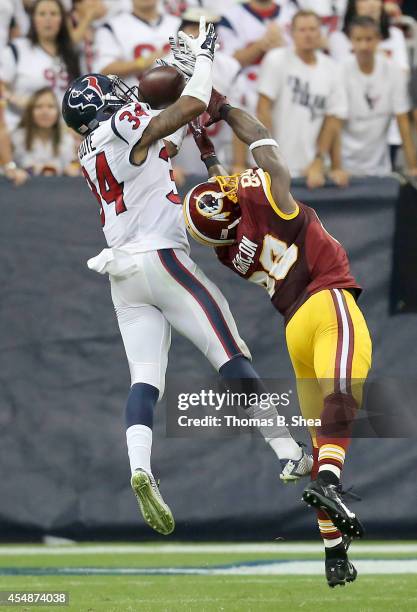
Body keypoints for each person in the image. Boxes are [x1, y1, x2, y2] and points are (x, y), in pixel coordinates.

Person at [62, 19, 311, 537]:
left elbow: (164, 138)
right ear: (104, 106)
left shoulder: (90, 151)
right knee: (229, 352)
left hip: (121, 274)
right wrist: (201, 59)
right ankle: (288, 451)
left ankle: (139, 466)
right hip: (162, 261)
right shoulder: (123, 125)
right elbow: (189, 106)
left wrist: (188, 84)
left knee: (145, 379)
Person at [180, 85, 372, 586]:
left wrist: (206, 150)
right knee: (343, 400)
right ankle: (329, 481)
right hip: (329, 302)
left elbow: (221, 201)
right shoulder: (269, 202)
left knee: (320, 433)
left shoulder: (227, 250)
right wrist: (219, 109)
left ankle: (333, 551)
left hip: (295, 328)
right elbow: (263, 140)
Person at [257, 10, 348, 189]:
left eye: (313, 29)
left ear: (321, 32)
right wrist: (269, 156)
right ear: (292, 33)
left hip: (311, 169)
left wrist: (320, 161)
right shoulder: (276, 60)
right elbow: (263, 109)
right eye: (302, 30)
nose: (308, 34)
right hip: (276, 164)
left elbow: (333, 121)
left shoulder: (332, 69)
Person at [338, 16, 417, 176]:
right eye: (358, 39)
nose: (364, 45)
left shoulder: (393, 71)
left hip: (381, 169)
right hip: (345, 167)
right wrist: (335, 167)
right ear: (350, 41)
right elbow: (334, 123)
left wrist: (412, 166)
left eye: (369, 39)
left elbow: (402, 122)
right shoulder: (340, 71)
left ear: (378, 40)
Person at [0, 0, 80, 130]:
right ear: (33, 19)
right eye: (42, 14)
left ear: (62, 19)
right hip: (21, 129)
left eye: (53, 14)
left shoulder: (71, 54)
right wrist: (16, 100)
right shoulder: (17, 49)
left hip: (61, 134)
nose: (48, 19)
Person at [93, 0, 180, 89]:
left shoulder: (179, 23)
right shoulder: (111, 27)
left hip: (180, 98)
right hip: (134, 99)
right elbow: (103, 71)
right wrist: (141, 63)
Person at [11, 87, 78, 176]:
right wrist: (13, 171)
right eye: (39, 106)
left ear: (58, 112)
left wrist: (72, 171)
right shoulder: (16, 138)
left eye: (50, 107)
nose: (45, 112)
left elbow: (73, 171)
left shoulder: (67, 140)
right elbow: (7, 168)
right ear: (30, 111)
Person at [329, 0, 409, 67]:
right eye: (364, 0)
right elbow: (340, 73)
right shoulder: (338, 38)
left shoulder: (395, 34)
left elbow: (403, 71)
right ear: (353, 5)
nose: (371, 4)